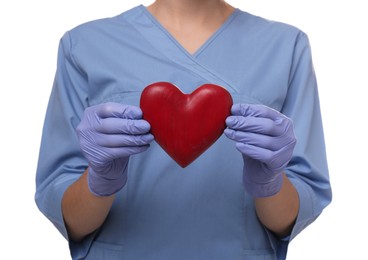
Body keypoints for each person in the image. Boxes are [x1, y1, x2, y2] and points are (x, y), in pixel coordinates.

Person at [35, 0, 332, 259]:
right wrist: (98, 182)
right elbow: (68, 217)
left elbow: (291, 218)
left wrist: (270, 183)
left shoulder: (286, 47)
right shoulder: (85, 45)